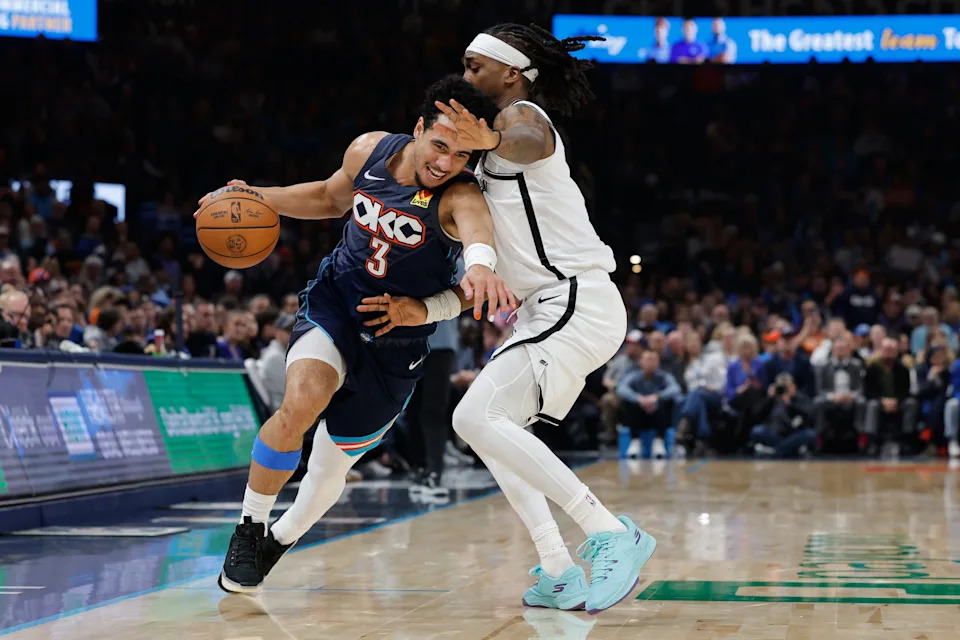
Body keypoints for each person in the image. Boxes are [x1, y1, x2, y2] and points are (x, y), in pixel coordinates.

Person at [364, 24, 656, 614]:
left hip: (577, 298)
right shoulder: (472, 169)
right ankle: (557, 568)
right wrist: (426, 308)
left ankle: (609, 533)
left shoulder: (525, 120)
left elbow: (523, 138)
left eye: (475, 68)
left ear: (511, 74)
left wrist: (487, 135)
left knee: (475, 414)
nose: (466, 77)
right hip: (543, 308)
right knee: (493, 432)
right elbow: (482, 285)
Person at [204, 76, 511, 594]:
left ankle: (280, 538)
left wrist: (469, 277)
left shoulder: (462, 196)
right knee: (301, 402)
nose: (445, 162)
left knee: (329, 465)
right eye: (439, 145)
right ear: (417, 129)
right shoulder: (369, 150)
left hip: (397, 341)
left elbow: (479, 239)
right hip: (337, 302)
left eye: (461, 155)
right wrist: (256, 198)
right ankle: (249, 525)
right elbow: (327, 199)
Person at [616, 349, 681, 459]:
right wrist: (639, 398)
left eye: (654, 360)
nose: (651, 363)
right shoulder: (633, 376)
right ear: (641, 362)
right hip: (638, 414)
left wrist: (656, 397)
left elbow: (675, 389)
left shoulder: (664, 376)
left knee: (667, 401)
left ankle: (659, 441)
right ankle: (635, 441)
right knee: (629, 401)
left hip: (659, 414)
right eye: (648, 360)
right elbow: (621, 389)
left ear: (658, 362)